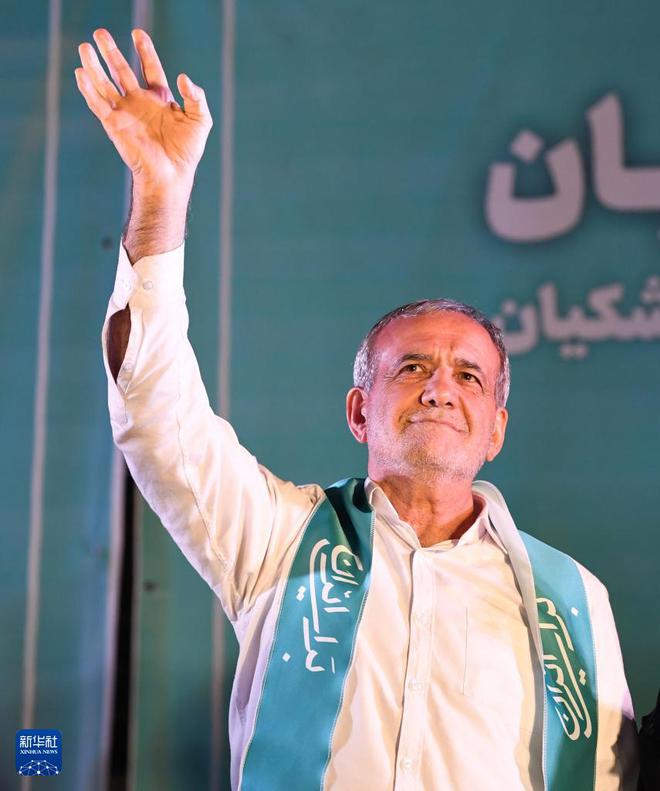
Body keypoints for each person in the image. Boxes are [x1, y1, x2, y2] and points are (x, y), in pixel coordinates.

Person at [76, 28, 639, 790]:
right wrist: (158, 196)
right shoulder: (278, 539)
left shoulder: (573, 603)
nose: (439, 387)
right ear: (359, 410)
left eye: (469, 376)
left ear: (497, 430)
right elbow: (152, 407)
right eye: (412, 367)